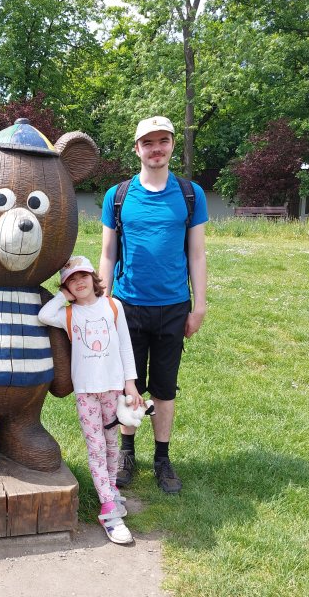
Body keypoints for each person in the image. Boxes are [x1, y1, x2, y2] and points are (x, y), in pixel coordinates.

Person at [98, 116, 208, 495]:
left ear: (172, 146)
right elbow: (108, 252)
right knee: (128, 384)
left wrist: (199, 305)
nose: (156, 148)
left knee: (163, 387)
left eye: (163, 141)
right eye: (149, 142)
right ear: (137, 149)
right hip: (127, 305)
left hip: (174, 306)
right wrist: (103, 302)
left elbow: (196, 254)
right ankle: (127, 453)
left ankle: (162, 458)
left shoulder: (190, 193)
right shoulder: (118, 195)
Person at [39, 255, 143, 544]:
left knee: (111, 446)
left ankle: (111, 492)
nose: (79, 282)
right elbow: (44, 315)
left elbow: (125, 347)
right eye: (71, 279)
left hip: (112, 389)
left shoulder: (112, 306)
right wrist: (63, 296)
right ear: (66, 287)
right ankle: (108, 509)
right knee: (96, 447)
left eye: (82, 275)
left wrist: (130, 385)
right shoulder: (68, 314)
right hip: (86, 391)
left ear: (93, 277)